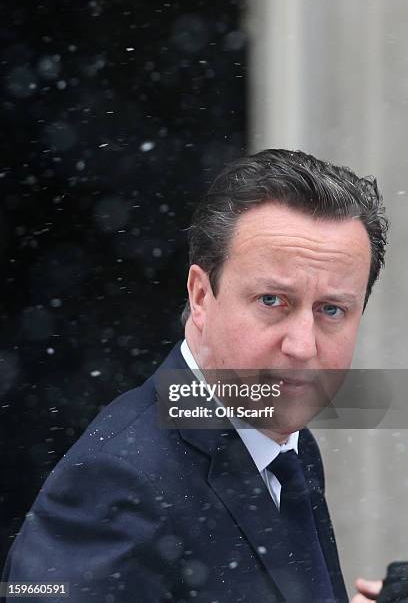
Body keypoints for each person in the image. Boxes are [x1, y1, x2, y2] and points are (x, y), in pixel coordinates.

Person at [1, 149, 389, 602]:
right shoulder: (121, 480)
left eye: (331, 310)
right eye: (272, 300)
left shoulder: (281, 434)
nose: (302, 346)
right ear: (201, 296)